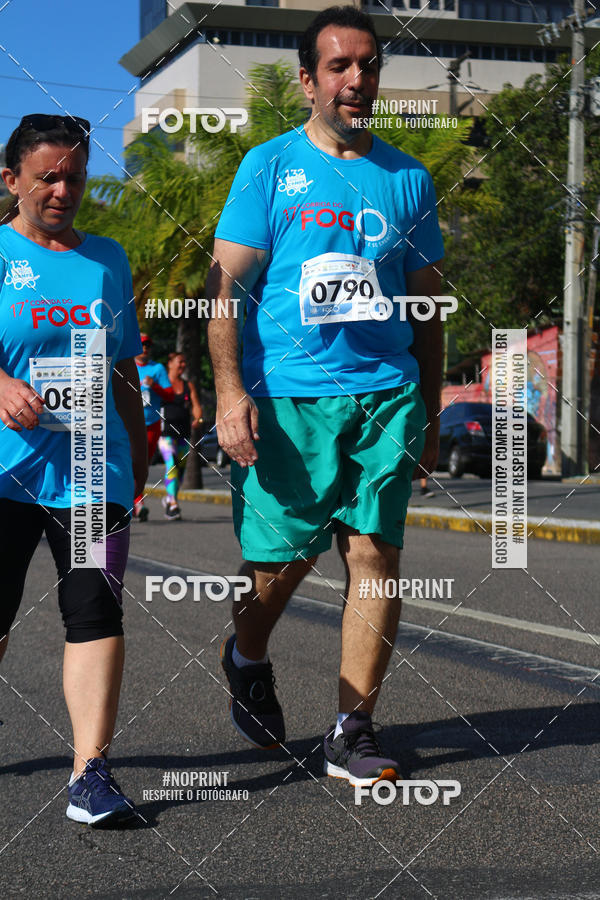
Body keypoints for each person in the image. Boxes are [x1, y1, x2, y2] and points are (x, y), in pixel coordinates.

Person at [207, 5, 444, 787]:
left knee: (374, 554)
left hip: (385, 392)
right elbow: (225, 292)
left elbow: (424, 304)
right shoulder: (267, 168)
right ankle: (246, 654)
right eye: (339, 67)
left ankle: (352, 728)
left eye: (368, 65)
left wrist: (431, 409)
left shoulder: (409, 178)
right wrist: (231, 393)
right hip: (289, 398)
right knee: (281, 565)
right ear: (308, 80)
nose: (356, 80)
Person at [0, 113, 147, 824]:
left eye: (75, 177)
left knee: (93, 609)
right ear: (12, 181)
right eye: (47, 176)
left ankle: (91, 773)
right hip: (6, 474)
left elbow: (122, 367)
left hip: (94, 470)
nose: (63, 189)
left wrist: (140, 453)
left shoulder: (107, 260)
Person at [158, 351, 204, 520]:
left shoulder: (187, 385)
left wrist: (198, 418)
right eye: (180, 361)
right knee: (171, 465)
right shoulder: (162, 384)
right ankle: (173, 504)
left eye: (184, 362)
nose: (183, 365)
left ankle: (171, 500)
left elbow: (196, 405)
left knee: (180, 471)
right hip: (165, 434)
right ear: (170, 363)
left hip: (184, 434)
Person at [133, 333, 173, 521]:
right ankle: (137, 502)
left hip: (151, 424)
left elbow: (170, 395)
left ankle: (135, 501)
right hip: (129, 423)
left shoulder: (157, 368)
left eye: (148, 344)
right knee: (127, 463)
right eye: (142, 344)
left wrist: (154, 385)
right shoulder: (125, 365)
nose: (145, 348)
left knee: (143, 464)